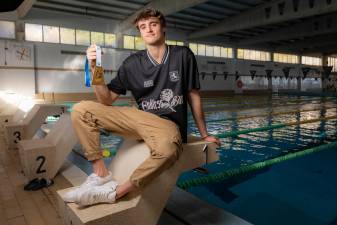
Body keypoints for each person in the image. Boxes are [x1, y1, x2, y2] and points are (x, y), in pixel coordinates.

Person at [63, 8, 221, 206]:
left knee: (167, 148)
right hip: (140, 121)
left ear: (163, 28)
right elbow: (106, 100)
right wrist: (95, 67)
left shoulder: (182, 55)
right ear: (140, 32)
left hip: (167, 125)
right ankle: (100, 173)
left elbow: (193, 95)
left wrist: (204, 135)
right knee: (81, 109)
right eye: (143, 27)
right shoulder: (132, 64)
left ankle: (115, 193)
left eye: (153, 24)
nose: (148, 29)